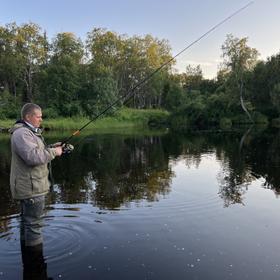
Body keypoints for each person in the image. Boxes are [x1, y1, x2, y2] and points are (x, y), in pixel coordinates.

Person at [9, 103, 63, 247]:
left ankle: (28, 260)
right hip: (31, 189)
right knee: (34, 227)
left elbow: (36, 151)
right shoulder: (22, 133)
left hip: (31, 186)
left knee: (28, 224)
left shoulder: (29, 132)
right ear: (28, 116)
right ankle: (35, 261)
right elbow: (33, 157)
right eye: (38, 116)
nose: (41, 119)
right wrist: (54, 152)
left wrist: (52, 147)